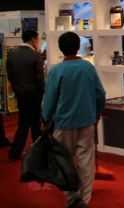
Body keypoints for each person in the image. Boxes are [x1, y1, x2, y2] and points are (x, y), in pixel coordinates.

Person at [42, 32, 106, 208]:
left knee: (63, 162)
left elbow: (49, 100)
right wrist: (96, 114)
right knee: (86, 161)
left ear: (60, 48)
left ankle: (72, 198)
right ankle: (84, 199)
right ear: (78, 47)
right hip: (86, 121)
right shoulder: (88, 68)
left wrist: (46, 118)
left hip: (63, 124)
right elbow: (100, 94)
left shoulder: (56, 71)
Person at [6, 30, 44, 160]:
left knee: (23, 123)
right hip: (34, 95)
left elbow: (10, 75)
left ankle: (15, 152)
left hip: (20, 94)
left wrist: (16, 89)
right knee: (35, 125)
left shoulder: (12, 53)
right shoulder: (36, 55)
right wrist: (43, 94)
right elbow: (40, 79)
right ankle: (37, 152)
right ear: (33, 39)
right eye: (38, 39)